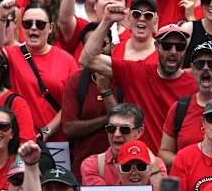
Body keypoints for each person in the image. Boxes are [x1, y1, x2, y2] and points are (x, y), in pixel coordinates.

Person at [80, 18, 199, 154]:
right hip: (135, 164)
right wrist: (107, 21)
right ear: (156, 46)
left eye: (180, 47)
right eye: (167, 45)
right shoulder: (137, 71)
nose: (173, 51)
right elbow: (86, 59)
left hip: (171, 168)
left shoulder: (193, 87)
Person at [0, 0, 79, 142]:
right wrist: (2, 17)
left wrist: (47, 131)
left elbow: (72, 104)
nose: (33, 28)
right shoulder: (12, 54)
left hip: (56, 141)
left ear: (50, 28)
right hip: (18, 140)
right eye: (27, 24)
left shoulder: (66, 60)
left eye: (40, 24)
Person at [61, 22, 118, 180]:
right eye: (91, 46)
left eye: (103, 44)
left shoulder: (124, 78)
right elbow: (68, 128)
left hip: (123, 172)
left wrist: (105, 91)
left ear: (112, 46)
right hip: (83, 172)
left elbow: (122, 124)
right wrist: (105, 120)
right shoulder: (76, 82)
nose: (98, 50)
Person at [80, 103, 167, 187]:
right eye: (111, 128)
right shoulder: (93, 165)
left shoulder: (156, 164)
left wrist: (154, 169)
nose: (116, 134)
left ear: (139, 132)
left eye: (124, 129)